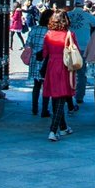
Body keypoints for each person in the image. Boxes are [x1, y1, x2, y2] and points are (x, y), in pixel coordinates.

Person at [41, 10, 76, 141]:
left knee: (55, 97)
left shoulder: (48, 35)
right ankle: (53, 130)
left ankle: (63, 127)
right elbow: (75, 50)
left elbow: (45, 53)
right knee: (61, 98)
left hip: (51, 66)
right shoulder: (69, 35)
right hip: (64, 67)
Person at [66, 0, 95, 112]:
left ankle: (67, 94)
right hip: (84, 46)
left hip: (69, 46)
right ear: (83, 4)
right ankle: (79, 96)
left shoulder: (68, 15)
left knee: (69, 72)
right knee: (81, 73)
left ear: (74, 4)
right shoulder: (86, 15)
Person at [28, 7, 52, 116]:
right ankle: (44, 109)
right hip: (46, 60)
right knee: (46, 86)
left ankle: (34, 108)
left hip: (35, 59)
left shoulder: (34, 29)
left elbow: (27, 44)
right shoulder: (51, 32)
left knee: (36, 85)